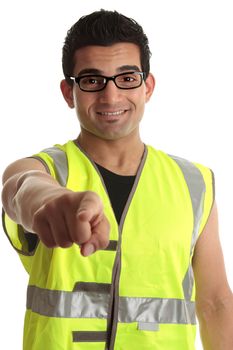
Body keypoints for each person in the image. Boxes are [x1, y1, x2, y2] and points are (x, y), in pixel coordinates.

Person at [1, 9, 233, 350]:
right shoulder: (48, 170)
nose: (111, 97)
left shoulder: (194, 182)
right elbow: (18, 189)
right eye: (92, 80)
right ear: (69, 92)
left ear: (147, 86)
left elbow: (215, 302)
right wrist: (50, 201)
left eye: (126, 78)